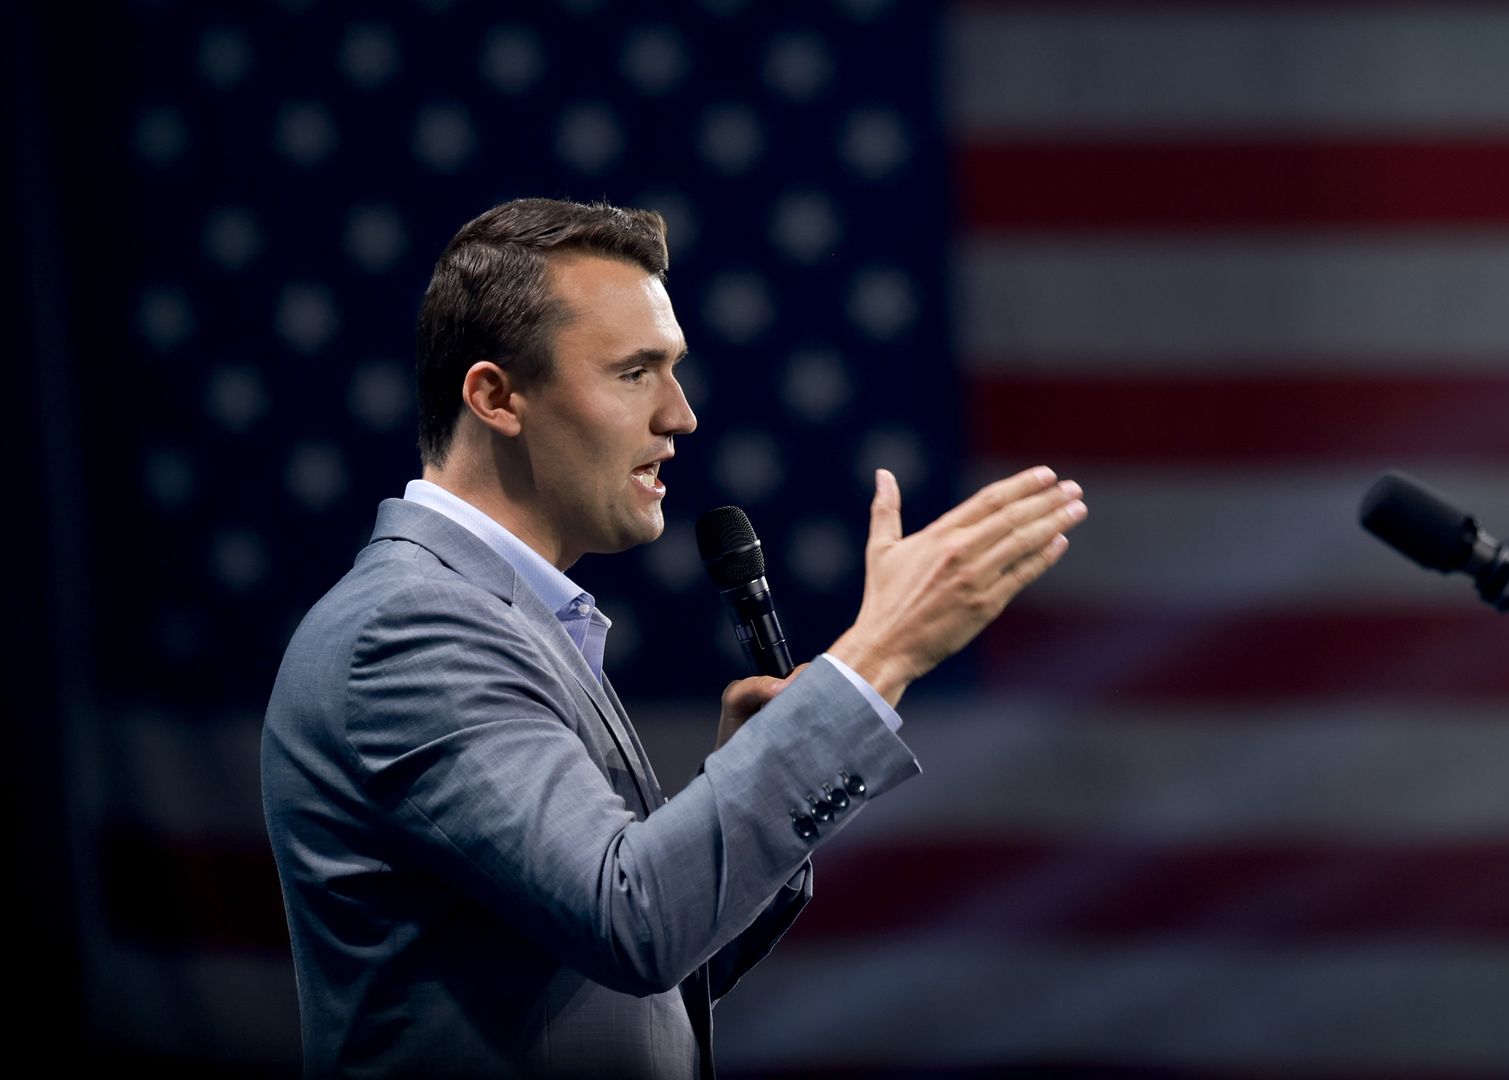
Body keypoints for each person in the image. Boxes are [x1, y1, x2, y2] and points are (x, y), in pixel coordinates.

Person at [260, 198, 1087, 1078]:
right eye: (634, 373)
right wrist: (881, 654)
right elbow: (636, 924)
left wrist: (752, 768)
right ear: (497, 396)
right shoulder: (410, 629)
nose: (681, 415)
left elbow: (642, 986)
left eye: (675, 370)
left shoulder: (507, 618)